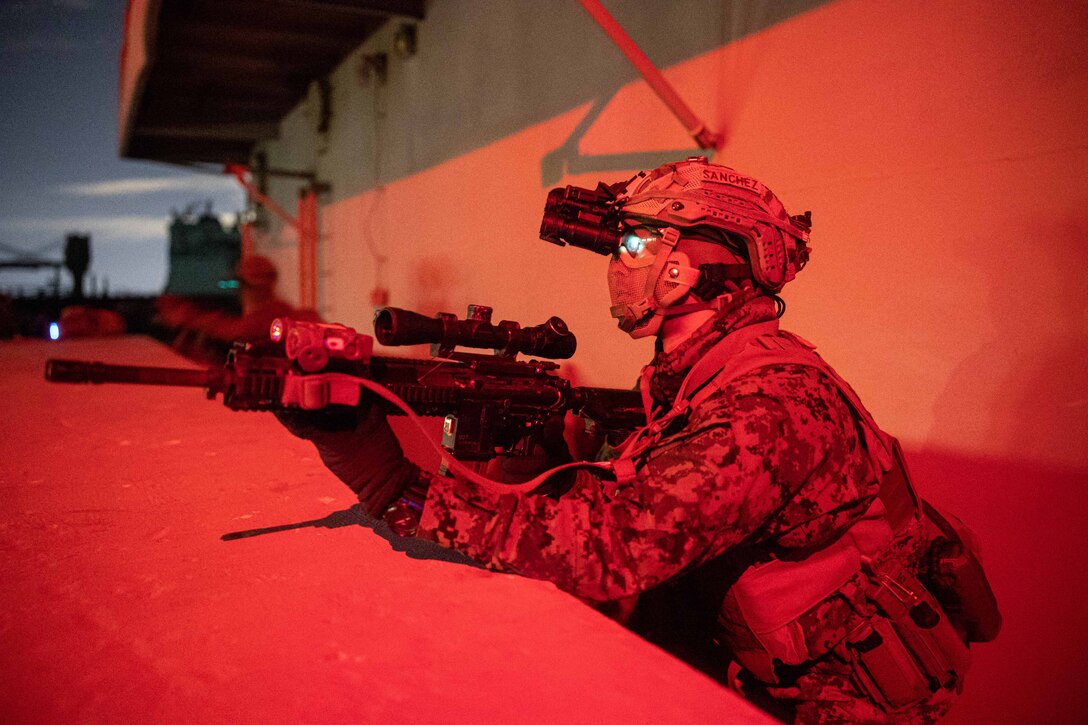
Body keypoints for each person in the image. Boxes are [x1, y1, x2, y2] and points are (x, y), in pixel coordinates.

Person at [280, 158, 999, 723]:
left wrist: (394, 489)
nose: (617, 265)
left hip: (837, 701)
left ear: (683, 269)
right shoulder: (705, 368)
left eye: (631, 244)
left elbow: (614, 548)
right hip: (771, 668)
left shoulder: (766, 404)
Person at [157, 255, 318, 362]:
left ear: (244, 286)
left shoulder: (275, 315)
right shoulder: (282, 313)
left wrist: (190, 317)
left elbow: (237, 331)